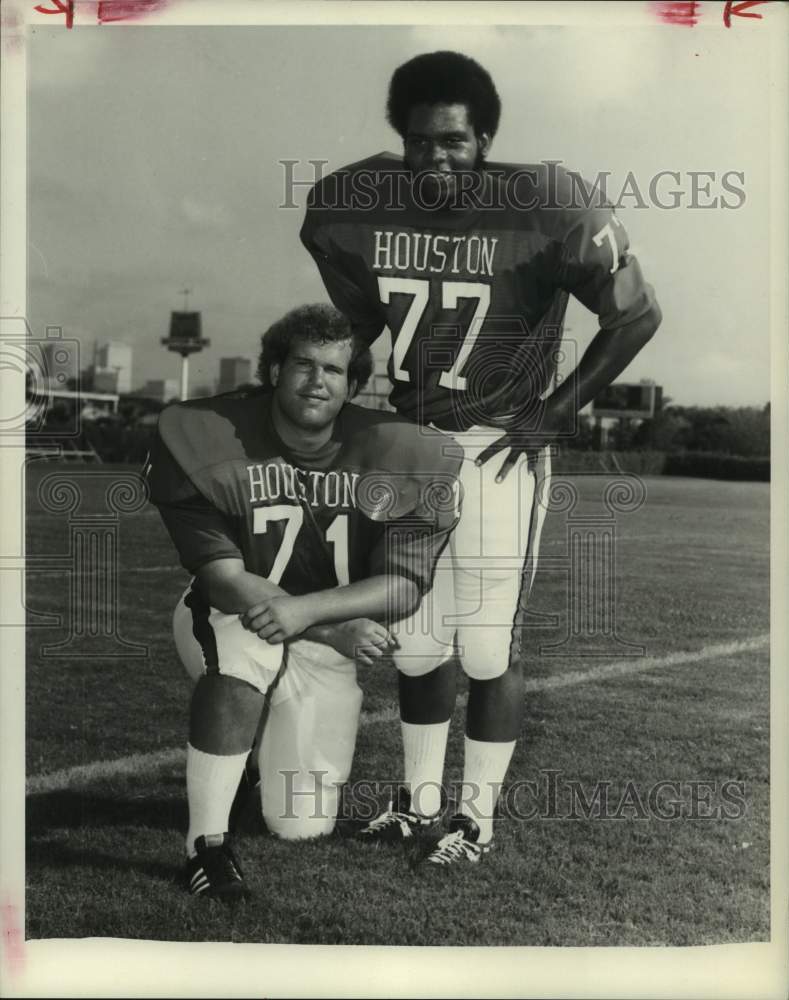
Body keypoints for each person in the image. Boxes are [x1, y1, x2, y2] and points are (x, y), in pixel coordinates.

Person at [300, 50, 662, 866]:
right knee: (419, 644)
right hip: (410, 444)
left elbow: (636, 316)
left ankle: (475, 819)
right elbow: (356, 325)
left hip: (498, 444)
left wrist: (554, 413)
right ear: (402, 138)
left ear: (485, 138)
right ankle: (418, 802)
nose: (438, 159)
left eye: (456, 142)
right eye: (423, 142)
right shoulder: (355, 204)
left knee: (490, 645)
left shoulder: (547, 202)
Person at [146, 303, 461, 899]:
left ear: (352, 385)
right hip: (231, 613)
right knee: (247, 650)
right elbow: (222, 578)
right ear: (272, 370)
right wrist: (322, 625)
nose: (318, 381)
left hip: (321, 638)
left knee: (298, 824)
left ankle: (248, 768)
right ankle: (205, 847)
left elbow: (403, 585)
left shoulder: (394, 452)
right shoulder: (211, 435)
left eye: (335, 370)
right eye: (303, 365)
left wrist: (312, 617)